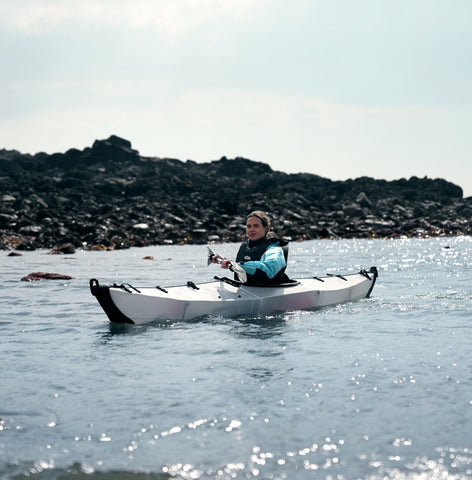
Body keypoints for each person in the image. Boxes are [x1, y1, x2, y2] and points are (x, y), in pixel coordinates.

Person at [211, 210, 292, 285]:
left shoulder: (274, 249)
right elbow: (242, 264)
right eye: (249, 226)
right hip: (246, 291)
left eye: (256, 226)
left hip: (268, 292)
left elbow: (269, 268)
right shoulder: (246, 246)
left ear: (266, 228)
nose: (251, 229)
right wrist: (223, 260)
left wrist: (236, 265)